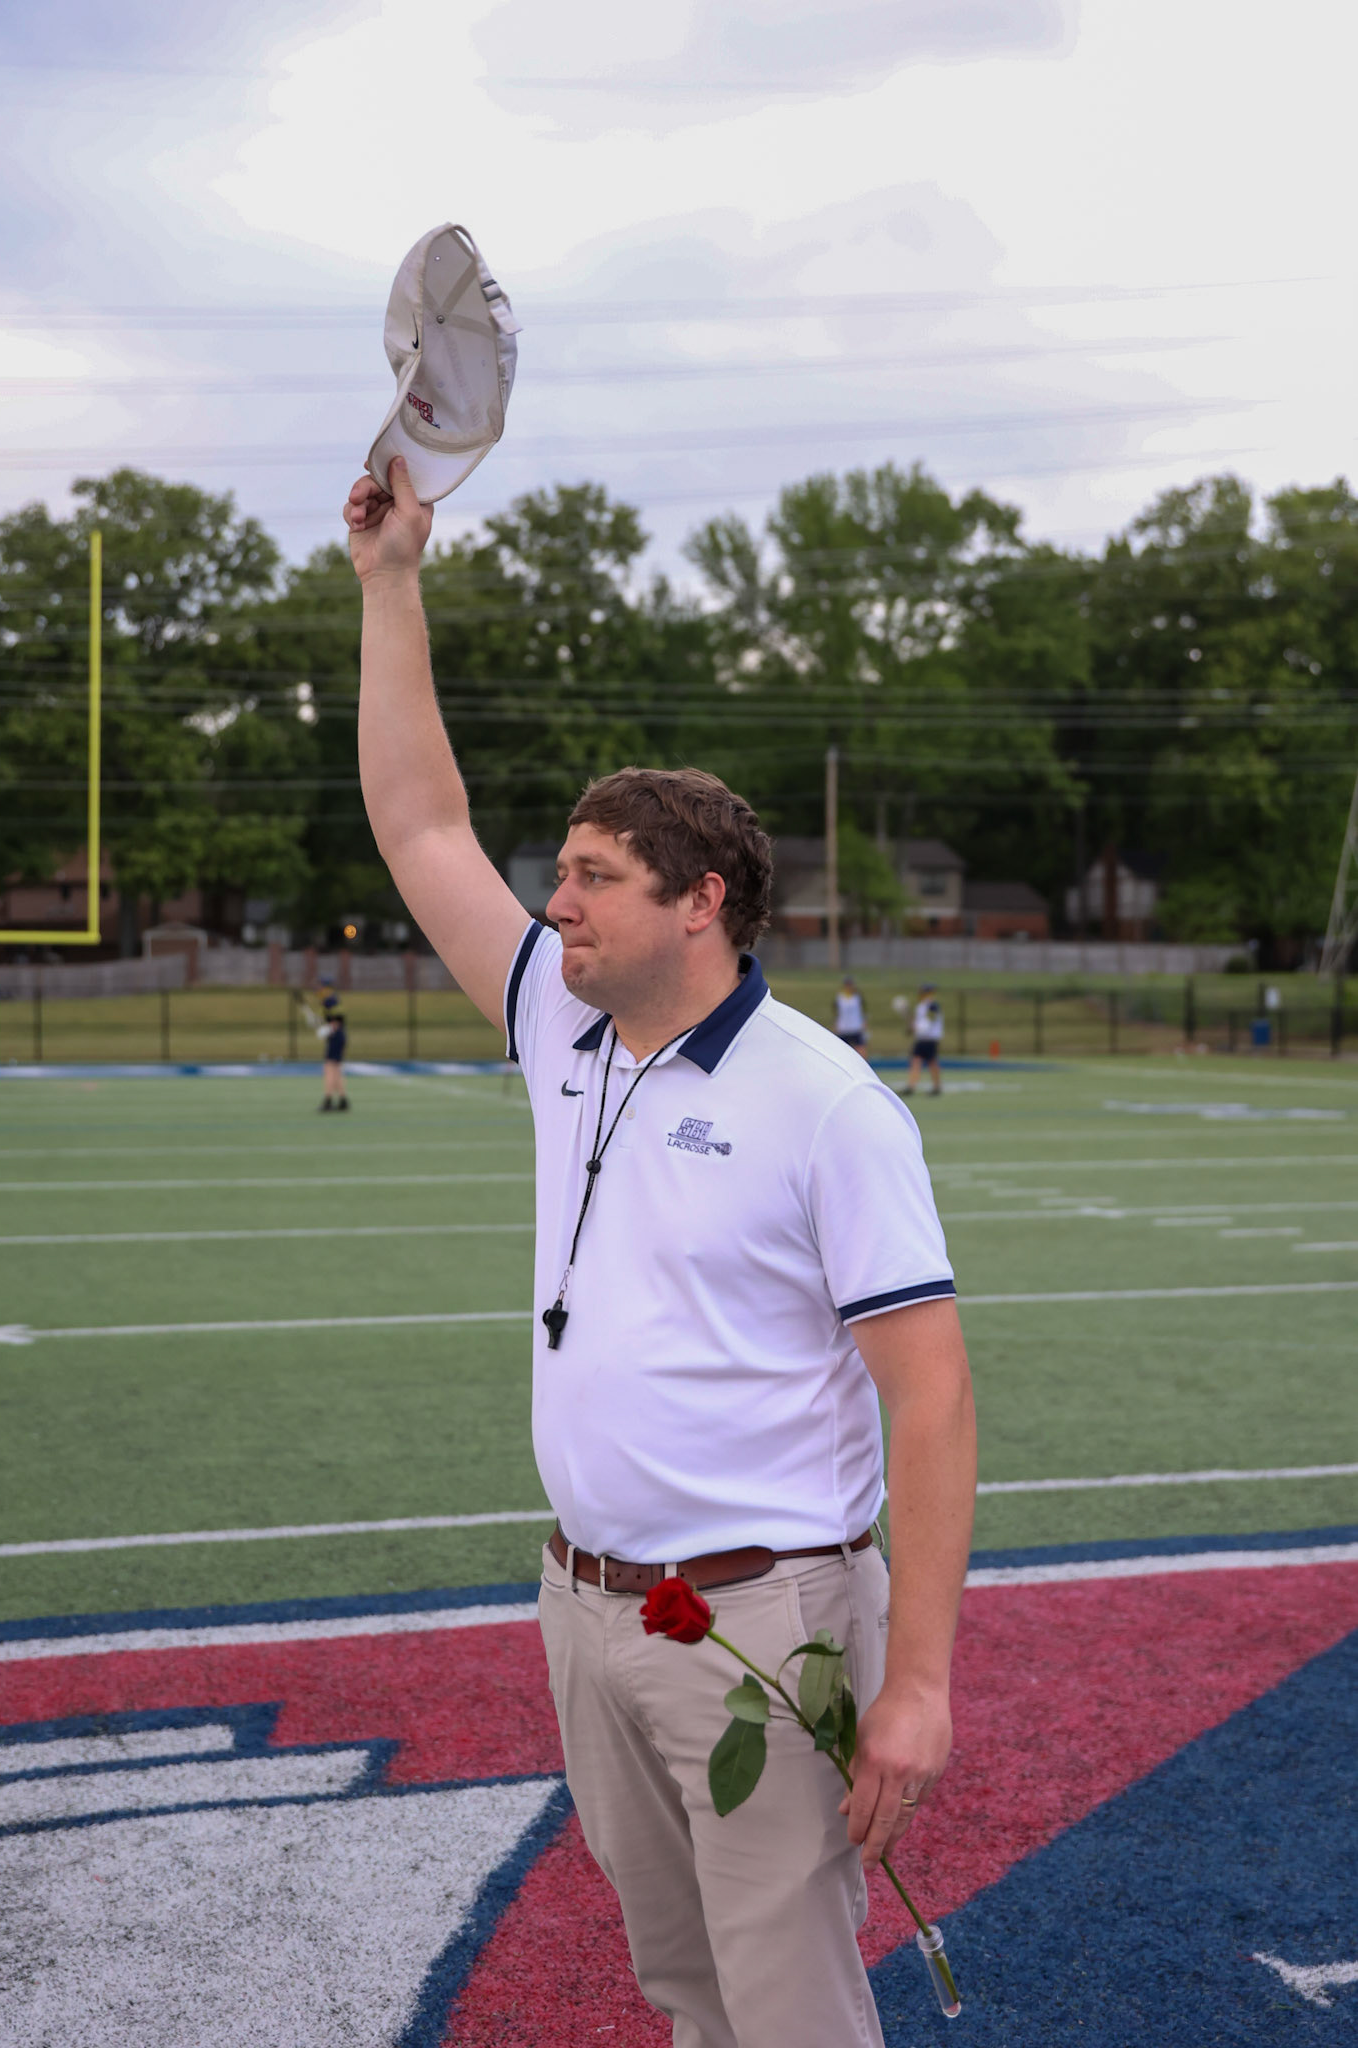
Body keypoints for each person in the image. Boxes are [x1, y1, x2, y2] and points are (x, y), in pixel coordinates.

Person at [346, 457, 976, 2048]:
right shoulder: (568, 1022)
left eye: (589, 881)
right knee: (685, 1990)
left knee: (789, 2001)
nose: (550, 906)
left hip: (762, 1615)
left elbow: (934, 1399)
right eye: (557, 876)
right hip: (587, 1606)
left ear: (700, 903)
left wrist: (914, 1685)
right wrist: (391, 583)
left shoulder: (828, 1107)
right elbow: (421, 821)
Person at [902, 985, 944, 1097]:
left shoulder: (933, 1006)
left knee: (931, 1063)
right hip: (921, 1039)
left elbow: (928, 1022)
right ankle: (911, 1086)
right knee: (916, 1061)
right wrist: (912, 1028)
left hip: (930, 1039)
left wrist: (916, 1028)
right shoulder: (921, 1006)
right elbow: (919, 1023)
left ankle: (936, 1086)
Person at [318, 1006, 348, 1112]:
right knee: (337, 1080)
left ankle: (328, 1101)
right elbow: (322, 1034)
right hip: (336, 1060)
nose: (330, 1024)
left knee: (330, 1079)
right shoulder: (338, 1033)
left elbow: (323, 1035)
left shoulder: (338, 1034)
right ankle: (343, 1101)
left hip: (333, 1059)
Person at [831, 974, 869, 1057]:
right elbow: (836, 1011)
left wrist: (864, 1022)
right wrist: (835, 1024)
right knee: (842, 1050)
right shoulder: (840, 997)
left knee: (861, 1049)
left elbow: (864, 1010)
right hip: (843, 1028)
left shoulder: (858, 997)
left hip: (856, 1027)